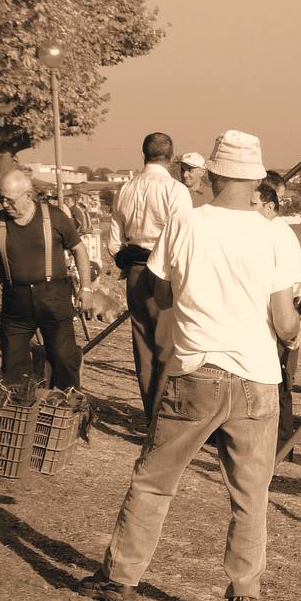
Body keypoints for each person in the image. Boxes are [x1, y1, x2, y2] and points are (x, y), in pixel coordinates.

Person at [80, 130, 301, 601]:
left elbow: (161, 290)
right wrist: (295, 335)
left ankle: (121, 578)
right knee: (250, 494)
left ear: (214, 175)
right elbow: (284, 320)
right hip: (256, 377)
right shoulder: (277, 234)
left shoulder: (187, 222)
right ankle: (245, 595)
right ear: (255, 179)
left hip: (195, 370)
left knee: (156, 480)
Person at [109, 132, 193, 423]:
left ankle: (151, 415)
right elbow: (184, 241)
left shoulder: (125, 189)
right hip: (165, 273)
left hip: (134, 271)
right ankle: (162, 418)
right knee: (167, 348)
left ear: (143, 154)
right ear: (171, 157)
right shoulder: (176, 190)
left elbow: (113, 243)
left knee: (143, 346)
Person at [0, 170, 91, 389]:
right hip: (16, 303)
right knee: (13, 365)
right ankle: (18, 413)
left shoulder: (55, 217)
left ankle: (64, 410)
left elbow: (79, 249)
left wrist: (86, 289)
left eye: (10, 200)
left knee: (63, 359)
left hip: (54, 298)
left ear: (28, 195)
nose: (5, 204)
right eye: (0, 198)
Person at [255, 182, 301, 458]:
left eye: (255, 206)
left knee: (279, 379)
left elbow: (285, 281)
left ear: (270, 206)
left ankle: (282, 446)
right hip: (274, 306)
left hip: (282, 306)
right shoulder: (265, 231)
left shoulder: (277, 234)